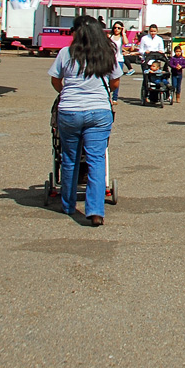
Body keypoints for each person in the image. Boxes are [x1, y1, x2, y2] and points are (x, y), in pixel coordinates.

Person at [49, 17, 122, 226]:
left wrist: (67, 93)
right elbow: (115, 81)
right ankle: (96, 211)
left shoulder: (66, 53)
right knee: (96, 160)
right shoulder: (108, 53)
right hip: (99, 112)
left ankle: (68, 204)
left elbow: (56, 79)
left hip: (70, 111)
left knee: (70, 158)